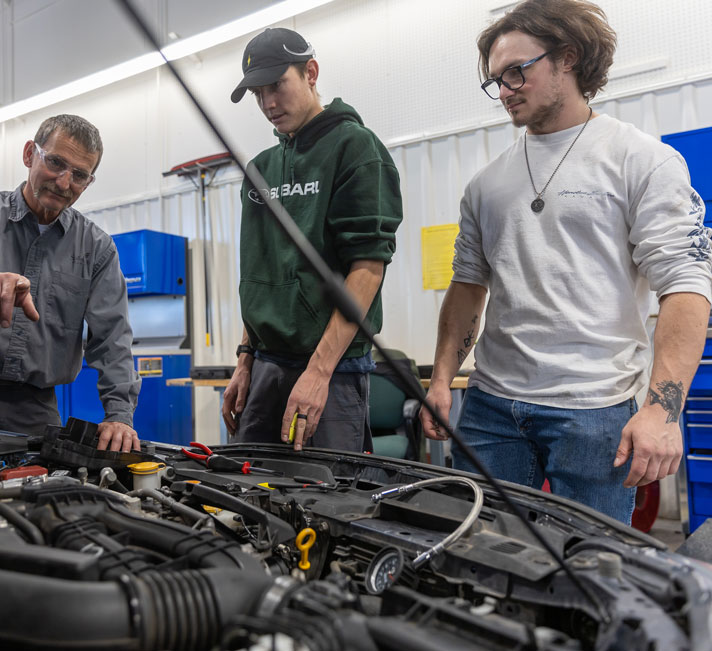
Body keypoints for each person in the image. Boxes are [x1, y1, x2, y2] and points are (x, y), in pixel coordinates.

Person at [421, 0, 712, 524]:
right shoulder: (486, 185)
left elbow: (686, 285)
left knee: (591, 566)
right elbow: (468, 286)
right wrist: (442, 379)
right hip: (491, 407)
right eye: (496, 80)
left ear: (568, 58)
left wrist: (663, 410)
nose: (505, 89)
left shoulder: (642, 160)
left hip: (595, 410)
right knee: (488, 556)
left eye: (517, 71)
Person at [223, 28, 403, 452]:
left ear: (311, 73)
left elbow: (367, 269)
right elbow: (259, 271)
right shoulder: (260, 169)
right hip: (265, 364)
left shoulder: (356, 149)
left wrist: (319, 373)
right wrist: (244, 360)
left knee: (325, 501)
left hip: (332, 368)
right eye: (257, 93)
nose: (267, 103)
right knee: (248, 494)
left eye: (277, 86)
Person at [0, 114, 141, 452]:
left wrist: (119, 415)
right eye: (55, 162)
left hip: (35, 412)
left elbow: (112, 338)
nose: (64, 183)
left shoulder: (96, 249)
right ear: (29, 155)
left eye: (80, 175)